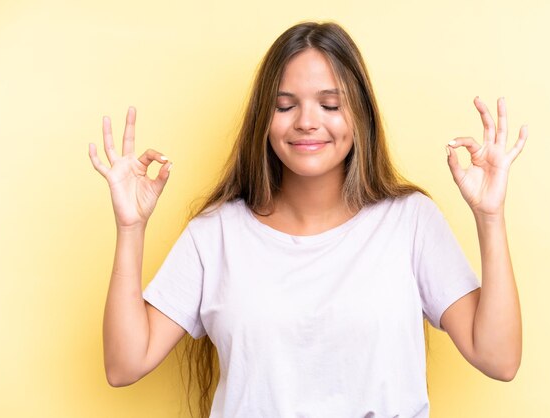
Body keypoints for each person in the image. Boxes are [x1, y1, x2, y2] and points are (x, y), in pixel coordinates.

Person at [88, 21, 526, 418]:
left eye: (330, 105)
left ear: (360, 116)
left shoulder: (410, 221)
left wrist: (489, 217)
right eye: (285, 106)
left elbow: (499, 358)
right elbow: (125, 364)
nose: (307, 122)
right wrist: (131, 228)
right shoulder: (216, 233)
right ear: (264, 118)